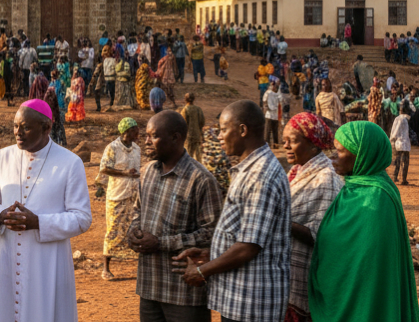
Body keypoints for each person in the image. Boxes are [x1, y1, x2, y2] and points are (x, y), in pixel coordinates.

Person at [173, 100, 291, 322]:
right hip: (242, 299)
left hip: (252, 303)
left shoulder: (260, 176)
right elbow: (243, 234)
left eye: (223, 130)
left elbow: (248, 246)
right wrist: (211, 254)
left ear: (243, 130)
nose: (218, 136)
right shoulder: (247, 170)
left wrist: (202, 271)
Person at [0, 101, 92, 322]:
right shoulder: (4, 156)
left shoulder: (70, 163)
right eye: (15, 126)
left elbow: (82, 217)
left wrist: (39, 222)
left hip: (48, 263)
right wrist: (1, 215)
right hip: (7, 256)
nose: (17, 133)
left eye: (26, 127)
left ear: (46, 128)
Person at [308, 122, 419, 322]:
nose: (333, 157)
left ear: (362, 154)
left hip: (365, 304)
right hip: (341, 293)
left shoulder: (377, 198)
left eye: (340, 151)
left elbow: (369, 268)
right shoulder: (351, 188)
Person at [128, 111, 222, 322]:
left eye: (153, 136)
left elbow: (213, 233)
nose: (146, 142)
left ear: (175, 138)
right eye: (146, 136)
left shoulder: (201, 180)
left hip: (183, 291)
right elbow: (138, 211)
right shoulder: (148, 172)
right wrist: (133, 232)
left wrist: (161, 243)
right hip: (149, 285)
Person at [280, 113, 343, 322]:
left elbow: (323, 236)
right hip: (286, 276)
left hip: (305, 280)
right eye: (284, 141)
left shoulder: (326, 178)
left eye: (293, 141)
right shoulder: (296, 172)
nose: (286, 146)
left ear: (314, 143)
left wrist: (280, 220)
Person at [99, 118, 141, 280]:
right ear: (126, 131)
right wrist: (124, 174)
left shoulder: (137, 148)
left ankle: (138, 266)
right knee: (113, 229)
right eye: (134, 129)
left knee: (134, 228)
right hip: (117, 194)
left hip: (133, 194)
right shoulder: (113, 148)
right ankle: (106, 268)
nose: (137, 132)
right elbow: (104, 168)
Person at [390, 103, 412, 185]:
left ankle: (396, 177)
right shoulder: (402, 119)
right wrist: (393, 138)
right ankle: (403, 179)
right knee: (405, 161)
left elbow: (394, 131)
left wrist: (392, 139)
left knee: (398, 160)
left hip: (399, 142)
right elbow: (396, 130)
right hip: (402, 142)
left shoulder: (400, 118)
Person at [181, 93, 206, 162]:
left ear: (185, 100)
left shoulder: (185, 110)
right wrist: (199, 129)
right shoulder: (198, 109)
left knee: (189, 154)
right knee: (198, 155)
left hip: (188, 136)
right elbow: (202, 121)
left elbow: (183, 123)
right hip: (197, 134)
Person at [263, 79, 284, 148]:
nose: (273, 87)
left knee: (275, 130)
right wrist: (266, 108)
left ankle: (275, 143)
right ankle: (266, 144)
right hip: (269, 114)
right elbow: (264, 101)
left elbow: (281, 101)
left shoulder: (278, 93)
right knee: (267, 130)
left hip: (275, 114)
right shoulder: (268, 93)